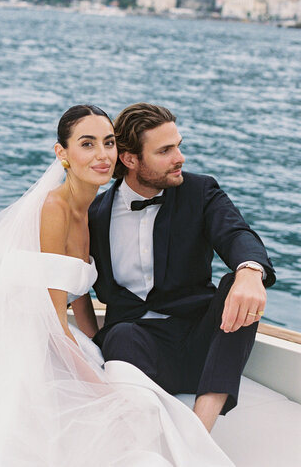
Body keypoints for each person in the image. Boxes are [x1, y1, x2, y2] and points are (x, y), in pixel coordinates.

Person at [0, 104, 234, 466]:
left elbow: (79, 296)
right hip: (25, 337)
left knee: (138, 410)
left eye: (108, 143)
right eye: (87, 144)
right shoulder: (53, 210)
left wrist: (95, 342)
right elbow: (54, 317)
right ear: (63, 153)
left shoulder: (91, 211)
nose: (102, 155)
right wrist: (96, 381)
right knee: (106, 418)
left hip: (55, 332)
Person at [89, 102, 275, 432]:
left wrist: (250, 272)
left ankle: (199, 431)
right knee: (119, 335)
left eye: (178, 145)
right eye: (165, 150)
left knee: (240, 285)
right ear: (131, 160)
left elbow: (236, 233)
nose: (180, 158)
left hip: (200, 341)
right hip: (139, 346)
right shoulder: (96, 214)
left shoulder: (200, 191)